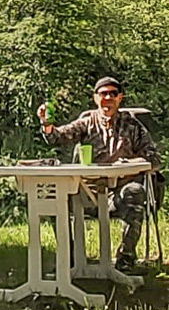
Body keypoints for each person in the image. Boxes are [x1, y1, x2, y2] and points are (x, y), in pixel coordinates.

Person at [38, 76, 160, 272]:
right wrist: (46, 124)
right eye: (103, 94)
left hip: (118, 193)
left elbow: (154, 159)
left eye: (113, 94)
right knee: (54, 198)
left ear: (120, 98)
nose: (108, 98)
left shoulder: (133, 126)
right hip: (86, 193)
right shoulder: (86, 123)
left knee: (136, 191)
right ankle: (70, 258)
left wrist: (130, 163)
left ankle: (125, 259)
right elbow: (57, 137)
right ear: (96, 98)